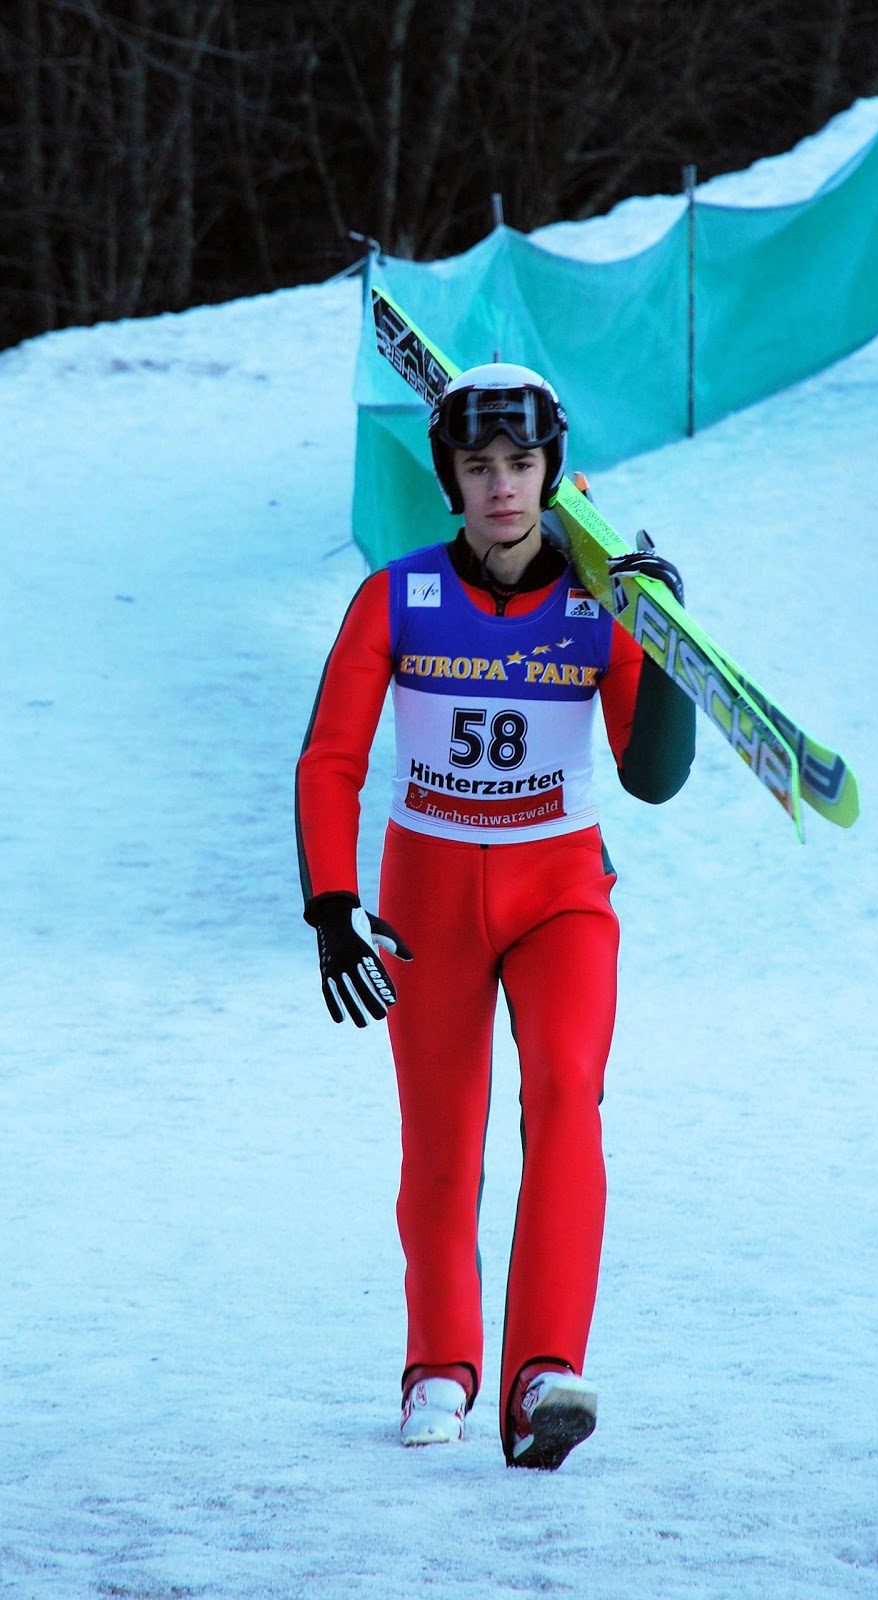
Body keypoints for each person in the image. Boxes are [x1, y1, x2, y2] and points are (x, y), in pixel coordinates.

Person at [295, 363, 696, 1470]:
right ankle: (439, 1367)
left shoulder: (595, 603)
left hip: (560, 890)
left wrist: (661, 646)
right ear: (451, 479)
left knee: (567, 1094)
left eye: (522, 465)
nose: (504, 488)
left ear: (551, 472)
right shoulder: (400, 596)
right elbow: (331, 758)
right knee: (442, 1139)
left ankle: (543, 1376)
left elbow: (652, 775)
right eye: (480, 467)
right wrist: (333, 904)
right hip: (428, 901)